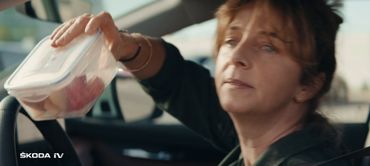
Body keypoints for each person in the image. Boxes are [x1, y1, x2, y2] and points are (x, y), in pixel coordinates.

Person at [50, 0, 351, 165]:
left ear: (308, 85)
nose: (237, 56)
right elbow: (177, 80)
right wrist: (124, 45)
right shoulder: (258, 139)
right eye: (231, 40)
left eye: (268, 46)